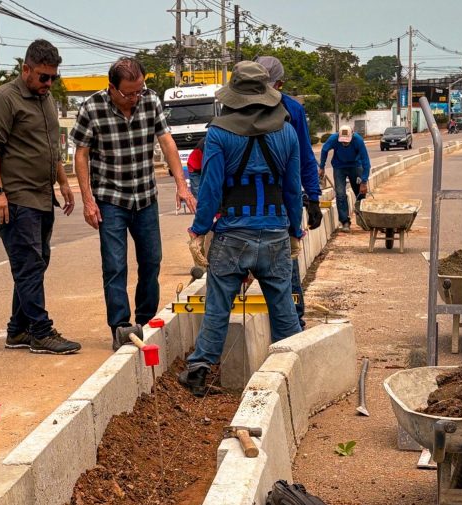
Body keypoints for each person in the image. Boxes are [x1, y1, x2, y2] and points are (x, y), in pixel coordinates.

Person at [178, 61, 304, 395]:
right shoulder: (286, 132)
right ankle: (290, 375)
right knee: (283, 308)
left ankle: (199, 371)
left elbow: (211, 190)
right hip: (276, 232)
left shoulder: (219, 134)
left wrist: (199, 231)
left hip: (233, 235)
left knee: (218, 305)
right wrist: (295, 232)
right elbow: (292, 189)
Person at [71, 57, 196, 350]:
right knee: (115, 265)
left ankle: (146, 318)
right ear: (112, 88)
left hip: (144, 197)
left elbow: (166, 141)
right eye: (129, 93)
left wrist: (181, 184)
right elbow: (81, 155)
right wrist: (88, 201)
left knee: (151, 261)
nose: (135, 97)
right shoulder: (92, 107)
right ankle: (121, 326)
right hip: (110, 199)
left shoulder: (150, 101)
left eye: (139, 90)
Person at [0, 39, 81, 355]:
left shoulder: (45, 99)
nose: (48, 83)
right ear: (25, 69)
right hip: (15, 197)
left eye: (53, 77)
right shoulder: (3, 99)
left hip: (41, 195)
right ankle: (40, 331)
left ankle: (17, 329)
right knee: (29, 263)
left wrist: (63, 182)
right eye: (42, 77)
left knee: (36, 263)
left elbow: (51, 147)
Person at [256, 55, 323, 330]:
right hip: (248, 202)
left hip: (280, 200)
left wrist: (314, 197)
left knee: (286, 262)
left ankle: (294, 319)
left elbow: (305, 157)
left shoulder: (293, 111)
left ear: (280, 84)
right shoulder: (233, 109)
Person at [319, 124, 370, 233]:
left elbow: (366, 161)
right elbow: (324, 150)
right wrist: (322, 167)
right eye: (343, 141)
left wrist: (364, 181)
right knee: (340, 194)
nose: (345, 143)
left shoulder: (358, 141)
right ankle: (345, 221)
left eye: (347, 141)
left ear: (352, 135)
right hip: (339, 167)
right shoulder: (333, 139)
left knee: (360, 193)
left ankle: (363, 219)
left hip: (355, 166)